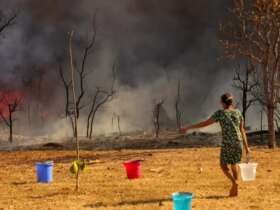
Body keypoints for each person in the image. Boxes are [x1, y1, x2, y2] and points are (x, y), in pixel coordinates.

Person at [180, 93, 250, 197]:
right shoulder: (238, 113)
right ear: (231, 102)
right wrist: (247, 147)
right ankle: (235, 191)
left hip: (228, 143)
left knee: (223, 165)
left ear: (222, 103)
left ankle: (234, 182)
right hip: (238, 142)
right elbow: (242, 130)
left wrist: (188, 128)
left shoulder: (220, 114)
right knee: (234, 165)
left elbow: (205, 123)